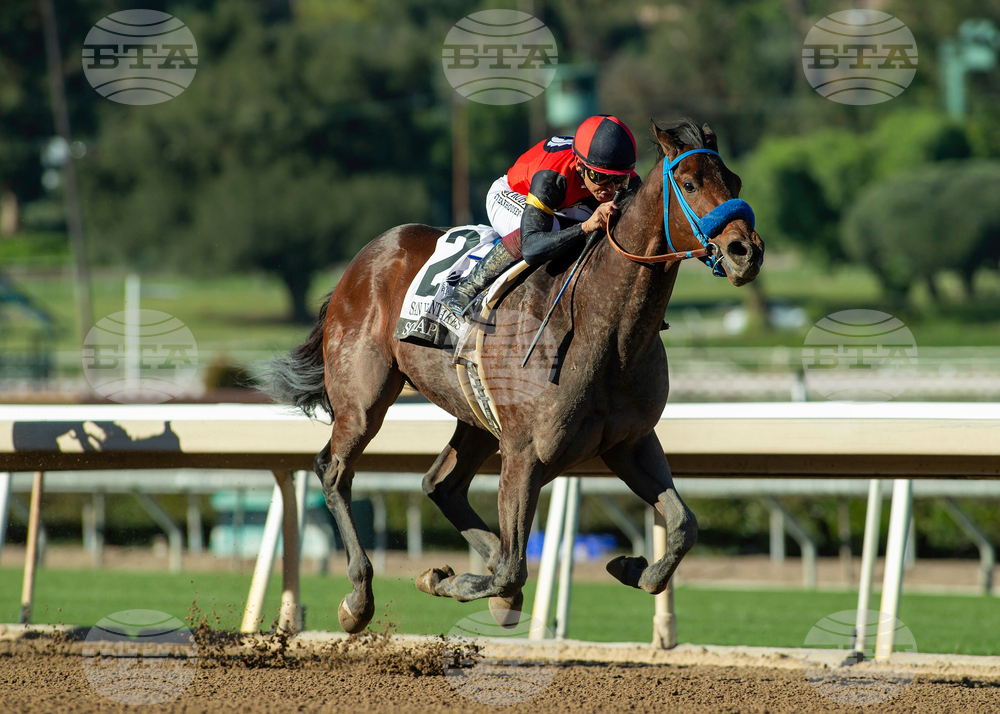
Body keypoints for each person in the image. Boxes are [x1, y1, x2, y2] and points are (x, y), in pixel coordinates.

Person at [440, 114, 641, 319]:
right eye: (600, 177)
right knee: (551, 229)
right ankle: (464, 292)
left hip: (566, 202)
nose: (610, 188)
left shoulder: (621, 173)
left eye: (619, 179)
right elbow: (531, 248)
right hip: (513, 193)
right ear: (580, 165)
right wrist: (585, 227)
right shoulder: (552, 175)